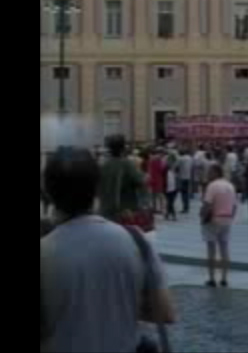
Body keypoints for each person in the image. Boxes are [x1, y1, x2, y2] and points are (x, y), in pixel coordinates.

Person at [41, 147, 176, 353]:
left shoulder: (45, 251)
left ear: (48, 192)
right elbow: (166, 313)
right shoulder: (135, 239)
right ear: (96, 188)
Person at [200, 163, 238, 287]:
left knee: (211, 249)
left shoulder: (212, 186)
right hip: (227, 219)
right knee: (224, 249)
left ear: (216, 173)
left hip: (213, 220)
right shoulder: (230, 186)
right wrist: (231, 218)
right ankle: (224, 278)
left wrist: (202, 216)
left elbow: (208, 205)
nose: (208, 174)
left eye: (210, 172)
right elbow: (234, 206)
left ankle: (212, 278)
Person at [98, 135, 150, 221]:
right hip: (125, 211)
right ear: (123, 148)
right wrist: (144, 205)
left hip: (105, 210)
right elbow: (141, 182)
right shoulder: (127, 164)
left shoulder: (103, 165)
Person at [148, 148, 166, 214]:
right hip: (158, 179)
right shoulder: (159, 160)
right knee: (159, 195)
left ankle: (154, 208)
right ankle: (161, 208)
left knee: (153, 195)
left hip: (152, 178)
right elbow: (161, 169)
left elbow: (149, 169)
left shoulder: (151, 160)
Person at [164, 152, 179, 221]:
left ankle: (168, 214)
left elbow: (177, 179)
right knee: (170, 202)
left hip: (174, 189)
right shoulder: (165, 171)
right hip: (167, 188)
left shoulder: (175, 170)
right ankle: (172, 215)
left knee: (170, 202)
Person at [178, 149, 193, 214]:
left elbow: (177, 167)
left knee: (183, 193)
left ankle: (184, 207)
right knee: (186, 192)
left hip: (182, 177)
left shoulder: (180, 159)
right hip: (188, 177)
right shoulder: (190, 158)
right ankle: (187, 207)